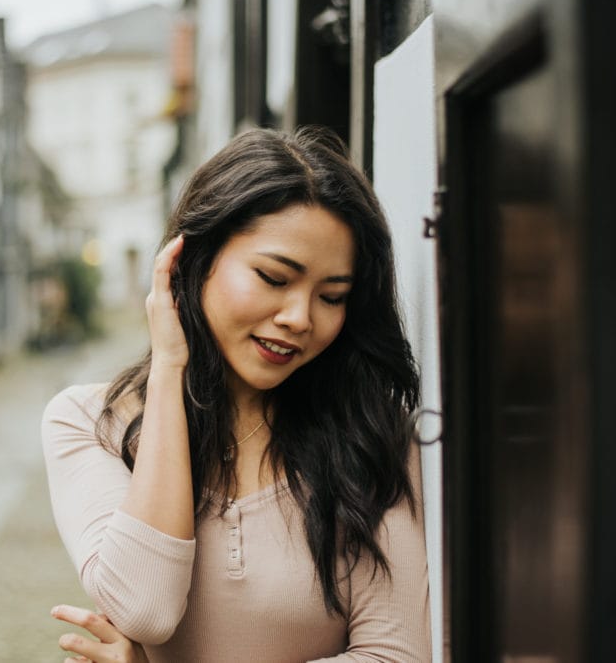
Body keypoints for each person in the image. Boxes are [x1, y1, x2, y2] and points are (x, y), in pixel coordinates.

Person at [41, 127, 431, 662]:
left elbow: (395, 655)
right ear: (191, 262)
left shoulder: (373, 439)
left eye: (332, 296)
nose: (300, 318)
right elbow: (145, 608)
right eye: (273, 278)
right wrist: (169, 368)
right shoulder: (88, 422)